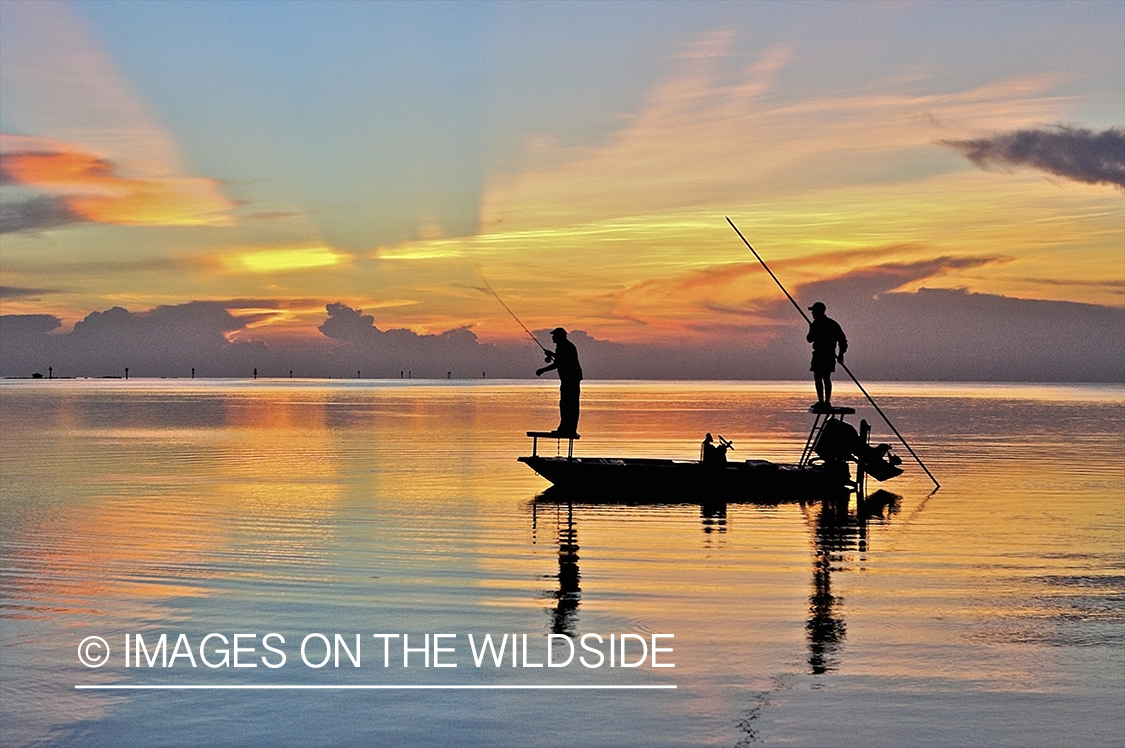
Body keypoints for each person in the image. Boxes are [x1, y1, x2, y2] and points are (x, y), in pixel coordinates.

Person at [536, 327, 582, 437]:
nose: (552, 337)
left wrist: (543, 370)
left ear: (560, 336)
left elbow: (560, 363)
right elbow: (562, 360)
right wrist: (552, 355)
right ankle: (567, 428)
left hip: (570, 380)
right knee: (570, 405)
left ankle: (567, 429)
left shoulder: (563, 346)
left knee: (567, 405)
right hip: (572, 379)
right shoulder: (567, 346)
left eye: (554, 336)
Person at [806, 302, 847, 411]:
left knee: (822, 378)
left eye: (814, 311)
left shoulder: (823, 324)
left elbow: (809, 339)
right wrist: (841, 354)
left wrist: (841, 354)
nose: (812, 313)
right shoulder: (831, 324)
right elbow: (810, 339)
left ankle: (825, 402)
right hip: (824, 354)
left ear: (819, 312)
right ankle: (823, 402)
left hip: (824, 354)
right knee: (822, 378)